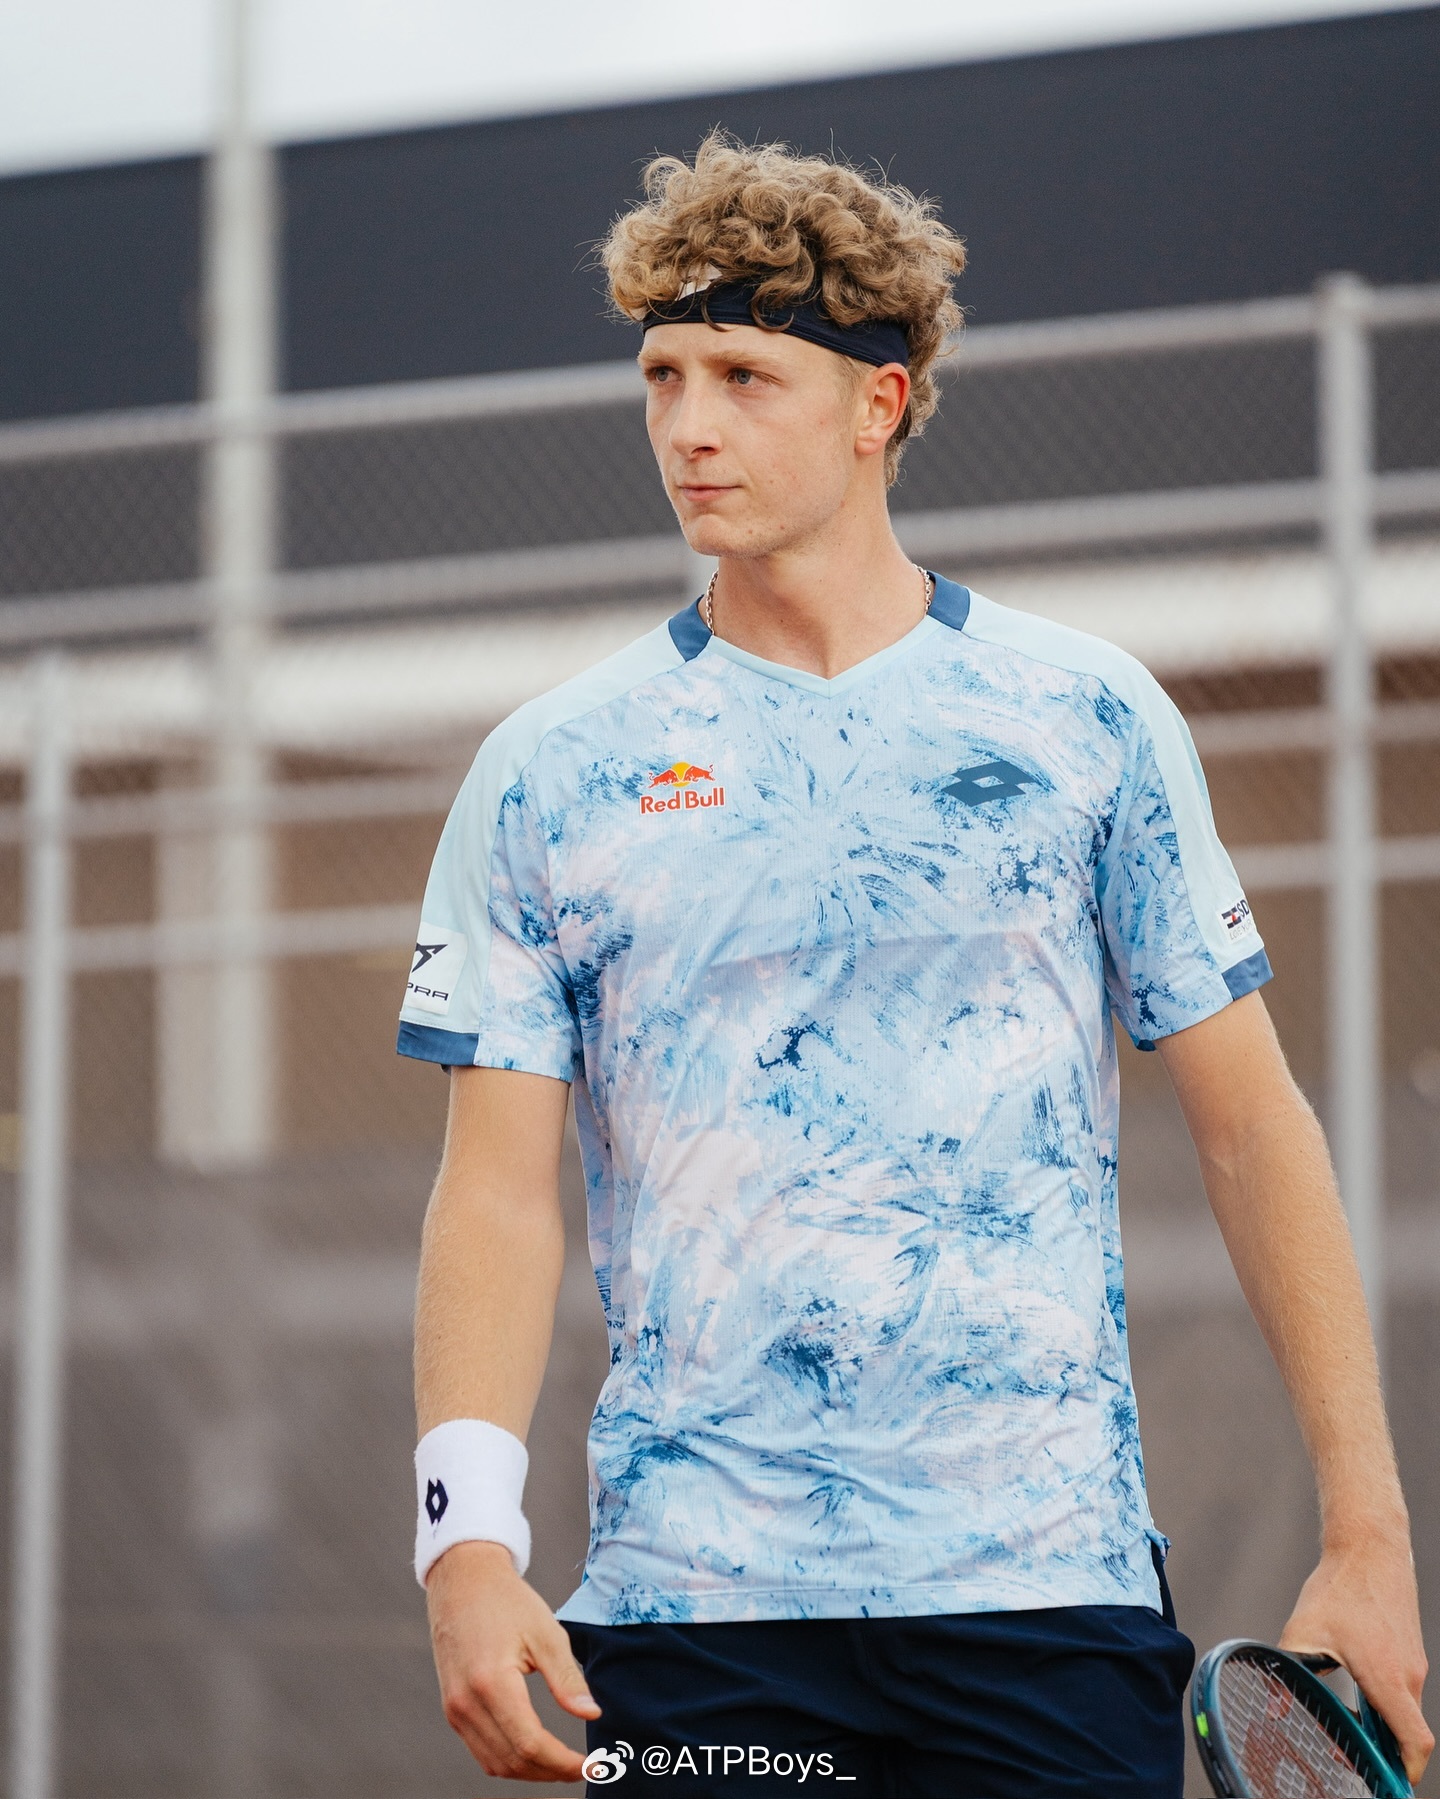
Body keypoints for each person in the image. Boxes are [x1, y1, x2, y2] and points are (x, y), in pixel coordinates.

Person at [397, 133, 1430, 1796]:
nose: (688, 425)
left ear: (879, 404)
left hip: (1046, 1587)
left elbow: (1254, 1130)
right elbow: (498, 1196)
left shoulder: (1088, 719)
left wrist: (1368, 1532)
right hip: (693, 1605)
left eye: (744, 375)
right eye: (663, 377)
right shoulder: (548, 770)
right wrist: (465, 1541)